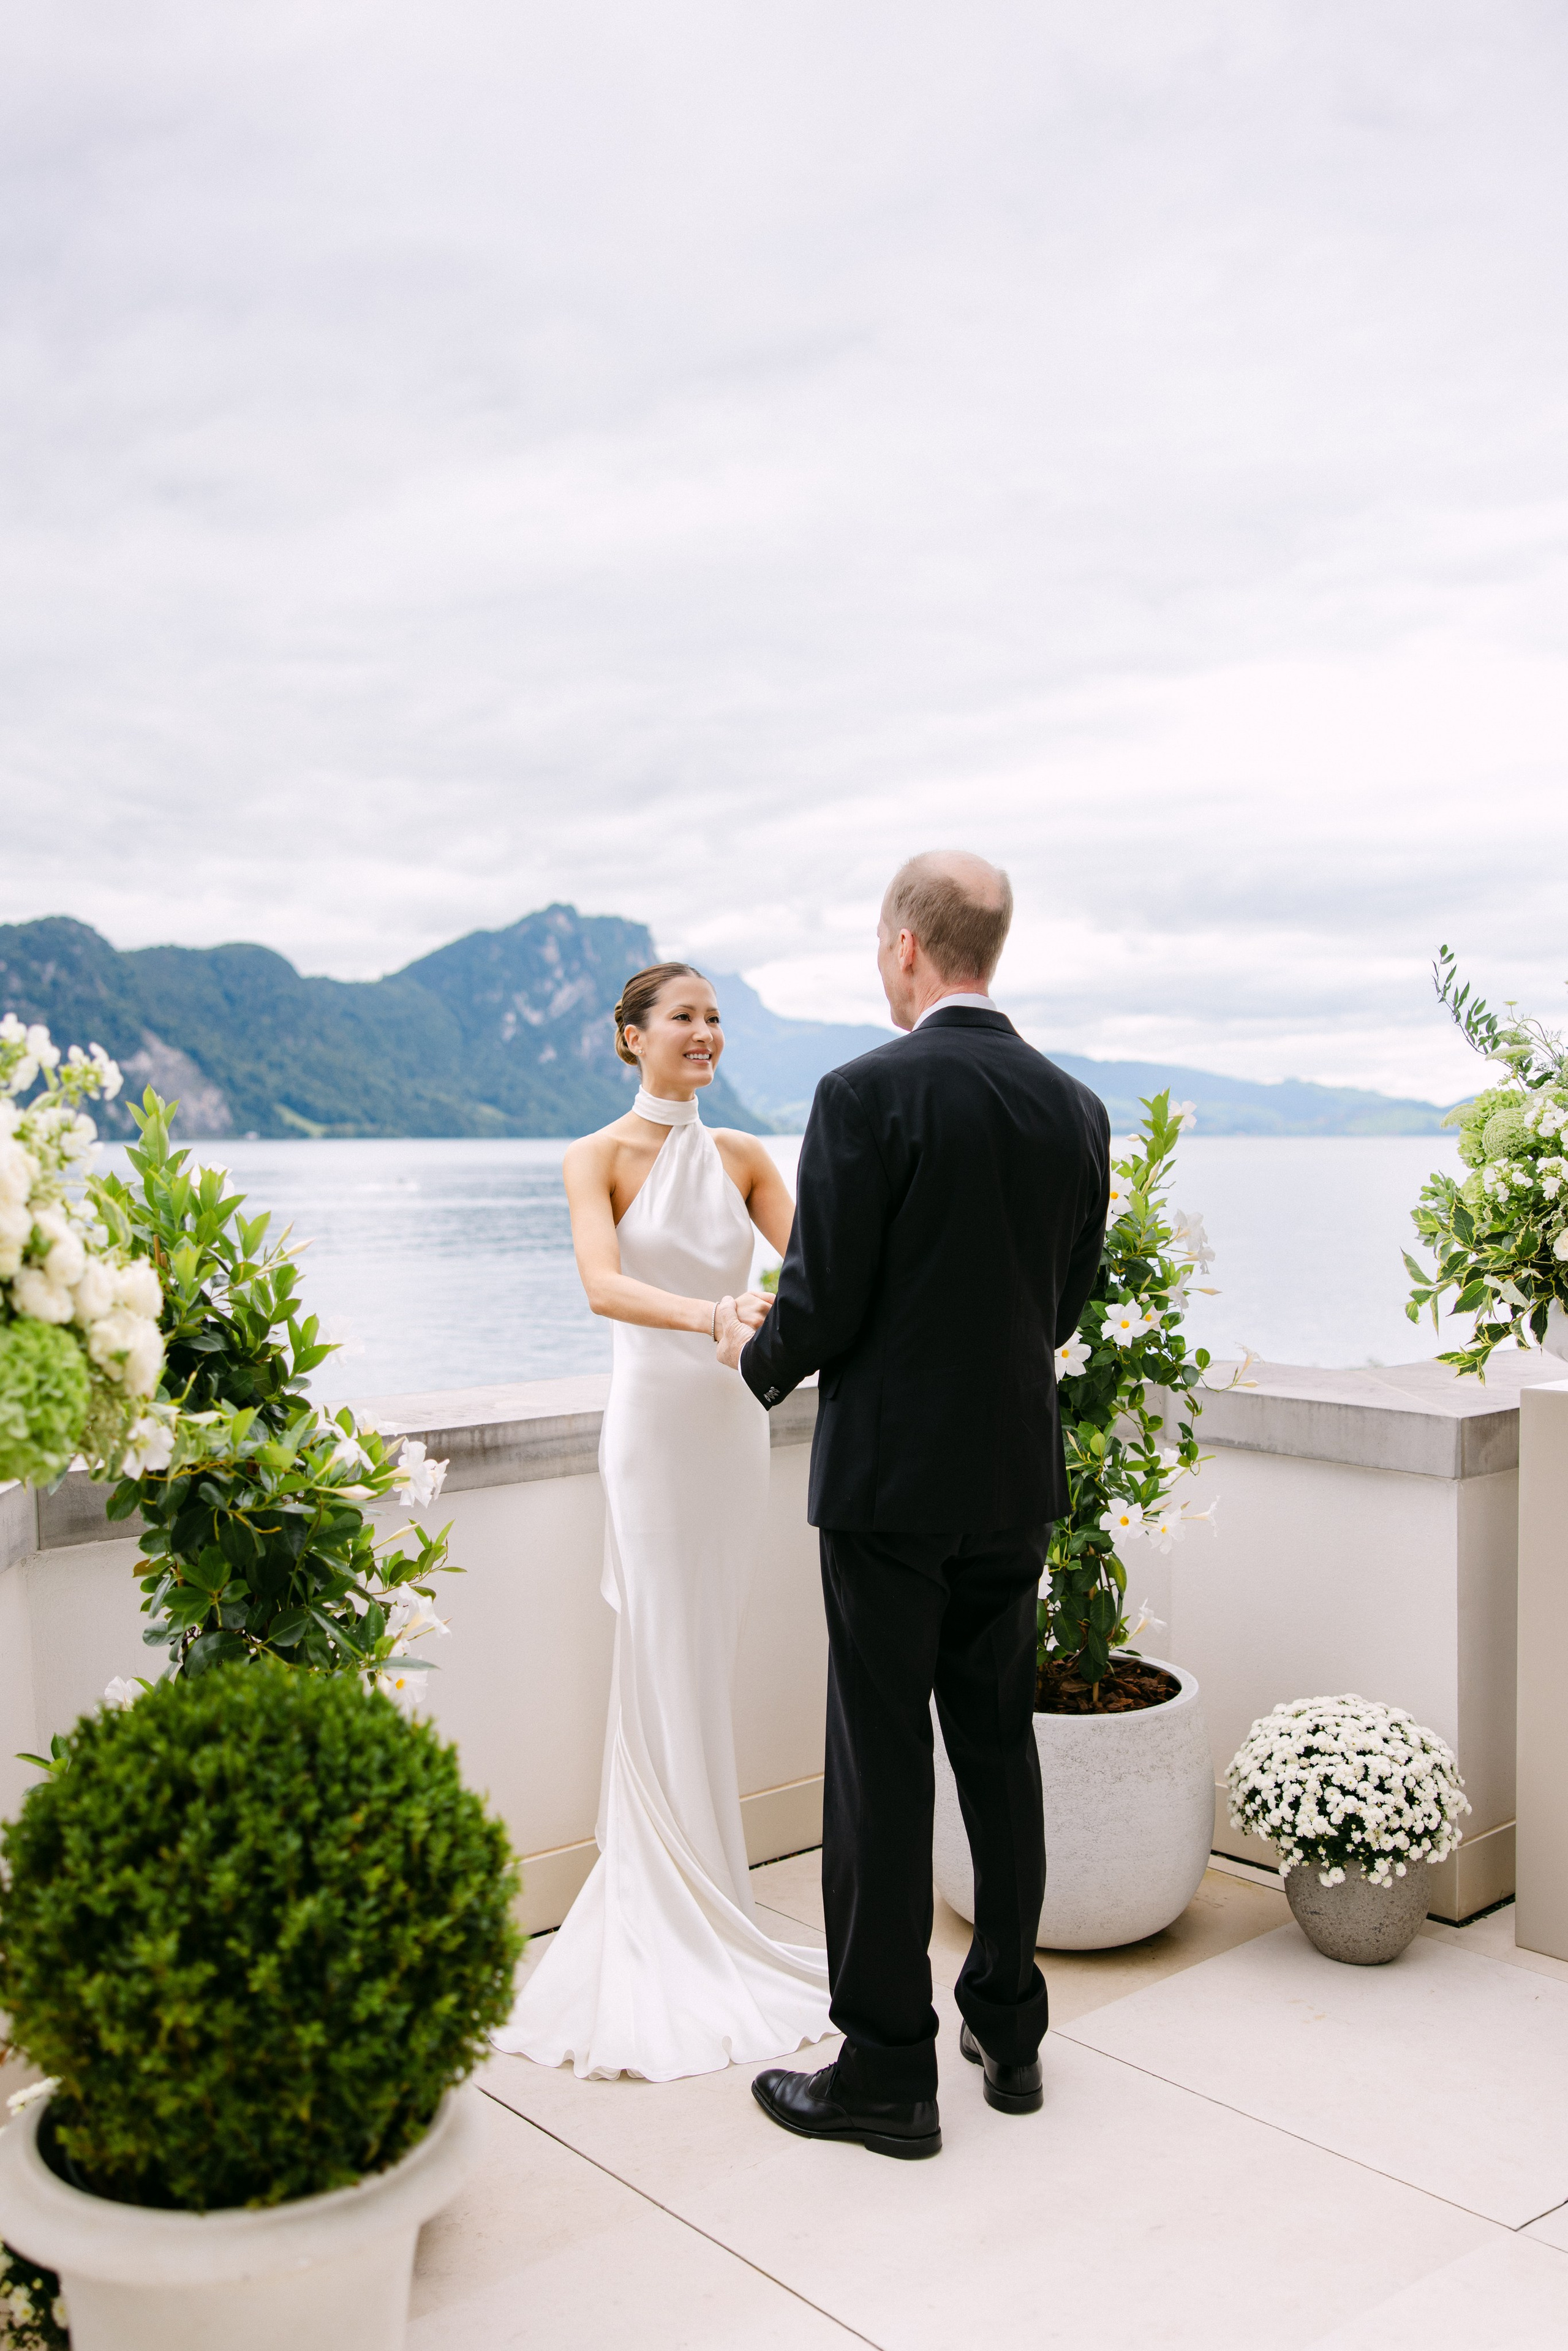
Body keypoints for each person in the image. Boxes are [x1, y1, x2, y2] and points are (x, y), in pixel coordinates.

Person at [715, 851, 1109, 2159]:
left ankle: (885, 2068)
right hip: (1009, 1474)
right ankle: (1007, 2024)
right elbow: (1054, 1309)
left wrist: (750, 1355)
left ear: (904, 945)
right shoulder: (1073, 1109)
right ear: (988, 946)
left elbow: (817, 1304)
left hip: (889, 1483)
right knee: (997, 1745)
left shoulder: (860, 1091)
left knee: (878, 1762)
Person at [491, 963, 833, 2080]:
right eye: (684, 1017)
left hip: (730, 1435)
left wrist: (774, 1312)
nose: (706, 1032)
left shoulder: (743, 1157)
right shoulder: (594, 1157)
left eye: (715, 1016)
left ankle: (714, 1895)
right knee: (653, 1653)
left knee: (705, 1659)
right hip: (650, 1436)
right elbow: (601, 1284)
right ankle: (660, 1903)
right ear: (629, 1035)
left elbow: (821, 1271)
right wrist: (712, 1314)